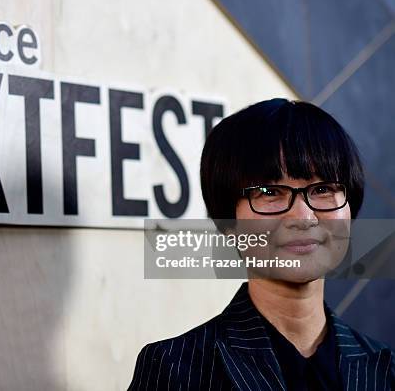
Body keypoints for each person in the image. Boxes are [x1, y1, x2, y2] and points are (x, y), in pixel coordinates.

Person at [128, 99, 395, 390]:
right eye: (270, 192)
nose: (304, 217)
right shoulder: (175, 368)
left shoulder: (386, 369)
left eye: (322, 189)